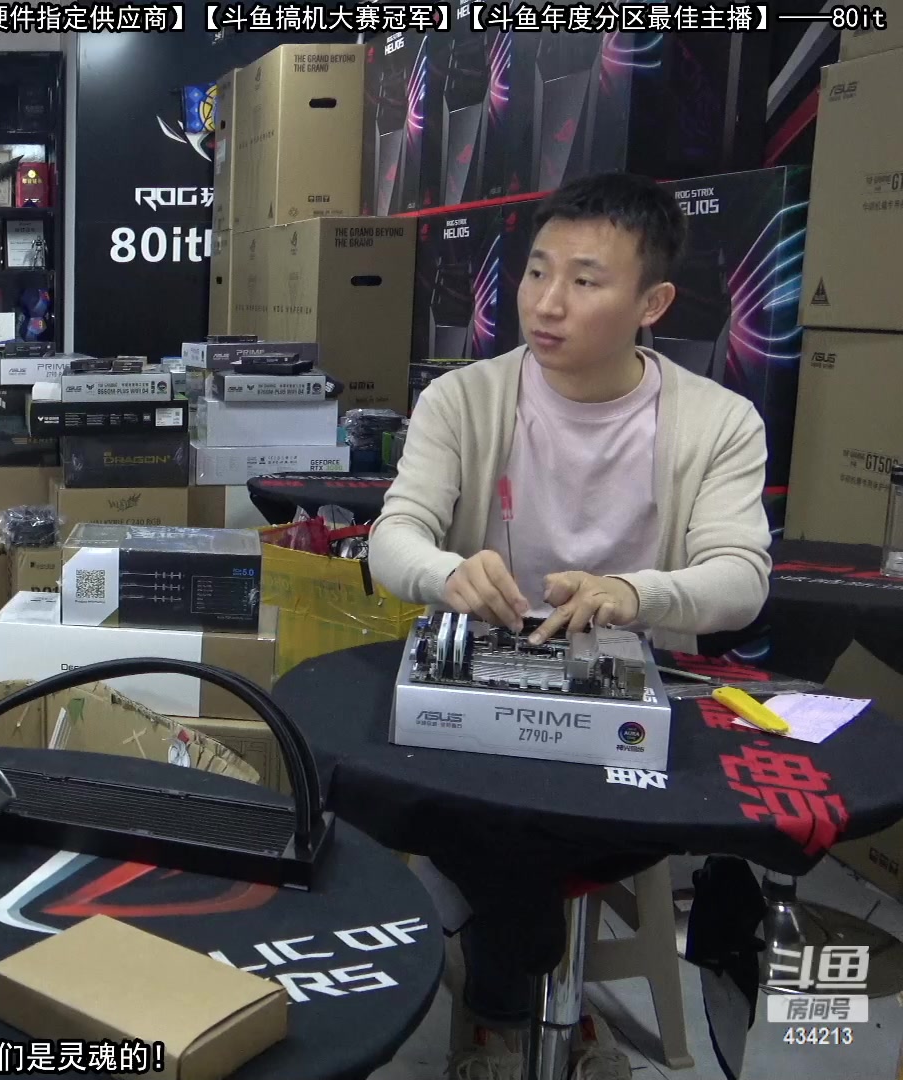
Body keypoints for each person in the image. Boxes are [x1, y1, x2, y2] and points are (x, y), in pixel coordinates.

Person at [368, 173, 772, 1080]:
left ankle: (500, 994)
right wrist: (447, 572)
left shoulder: (719, 422)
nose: (546, 303)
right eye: (537, 271)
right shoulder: (463, 399)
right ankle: (544, 991)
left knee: (506, 831)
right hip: (483, 685)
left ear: (652, 304)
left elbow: (741, 580)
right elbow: (393, 539)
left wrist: (632, 593)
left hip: (625, 709)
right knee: (443, 789)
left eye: (585, 281)